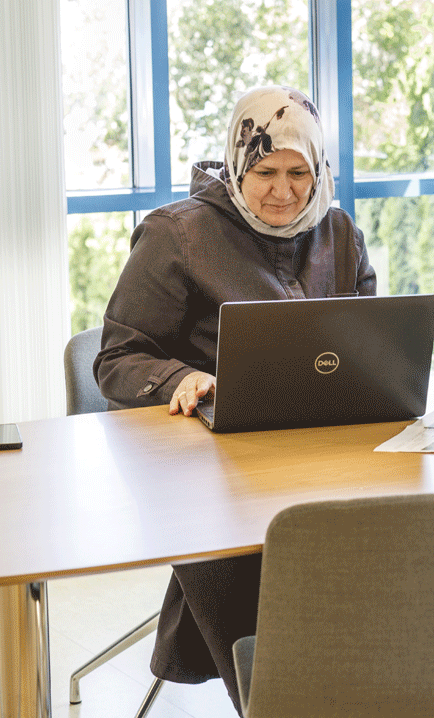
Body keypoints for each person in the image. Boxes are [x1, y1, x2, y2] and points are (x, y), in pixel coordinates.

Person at [94, 85, 376, 713]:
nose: (283, 190)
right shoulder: (178, 234)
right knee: (264, 558)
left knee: (392, 541)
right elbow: (116, 358)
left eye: (299, 172)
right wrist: (179, 380)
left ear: (320, 169)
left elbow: (371, 342)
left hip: (320, 451)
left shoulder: (339, 231)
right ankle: (283, 700)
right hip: (210, 464)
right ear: (236, 164)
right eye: (265, 172)